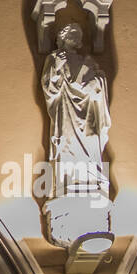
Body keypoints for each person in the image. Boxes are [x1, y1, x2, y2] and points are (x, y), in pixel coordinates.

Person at [41, 22, 111, 200]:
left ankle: (91, 179)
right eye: (72, 32)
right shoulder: (55, 58)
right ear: (62, 37)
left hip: (87, 113)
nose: (76, 36)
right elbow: (49, 87)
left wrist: (97, 83)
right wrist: (57, 65)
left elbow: (99, 80)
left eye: (78, 33)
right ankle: (67, 181)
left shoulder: (87, 61)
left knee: (90, 141)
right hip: (67, 112)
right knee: (67, 143)